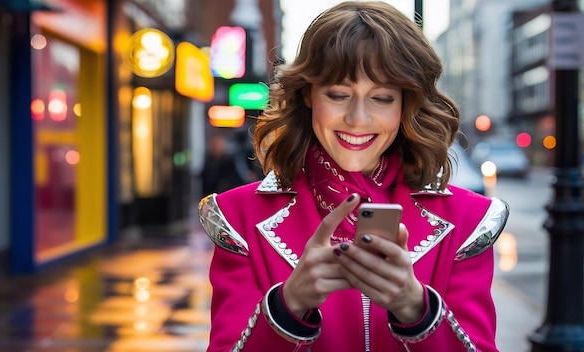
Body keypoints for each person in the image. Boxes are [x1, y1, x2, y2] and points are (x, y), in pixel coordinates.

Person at [198, 2, 509, 351]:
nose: (358, 119)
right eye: (338, 94)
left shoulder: (468, 221)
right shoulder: (238, 217)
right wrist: (289, 305)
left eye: (381, 97)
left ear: (406, 105)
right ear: (307, 95)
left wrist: (416, 309)